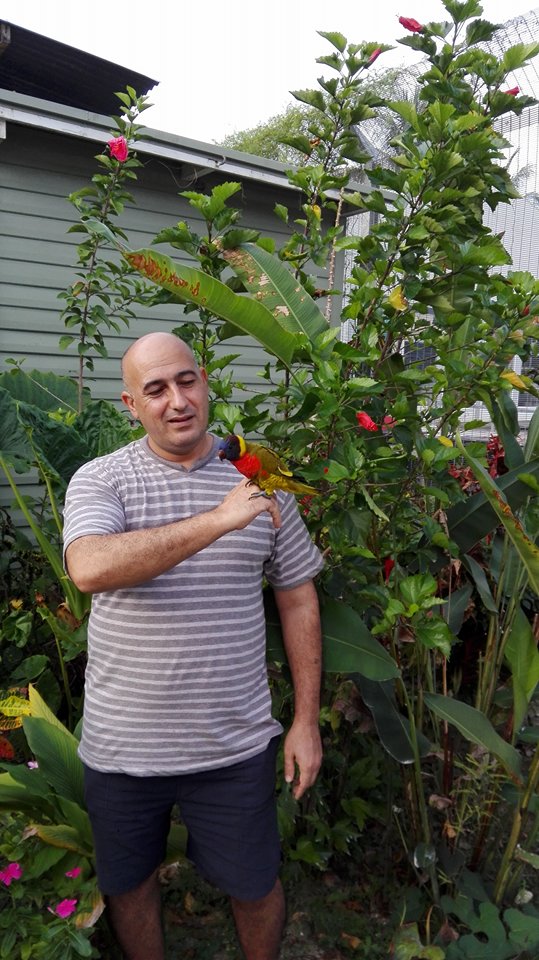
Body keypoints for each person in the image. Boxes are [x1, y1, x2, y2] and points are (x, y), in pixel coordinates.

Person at [63, 331, 324, 960]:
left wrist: (306, 720)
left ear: (205, 380)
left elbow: (296, 596)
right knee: (129, 887)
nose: (176, 400)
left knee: (256, 884)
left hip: (232, 742)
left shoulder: (261, 474)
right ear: (132, 404)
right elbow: (89, 568)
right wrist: (218, 519)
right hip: (124, 746)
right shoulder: (104, 479)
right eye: (155, 389)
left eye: (186, 381)